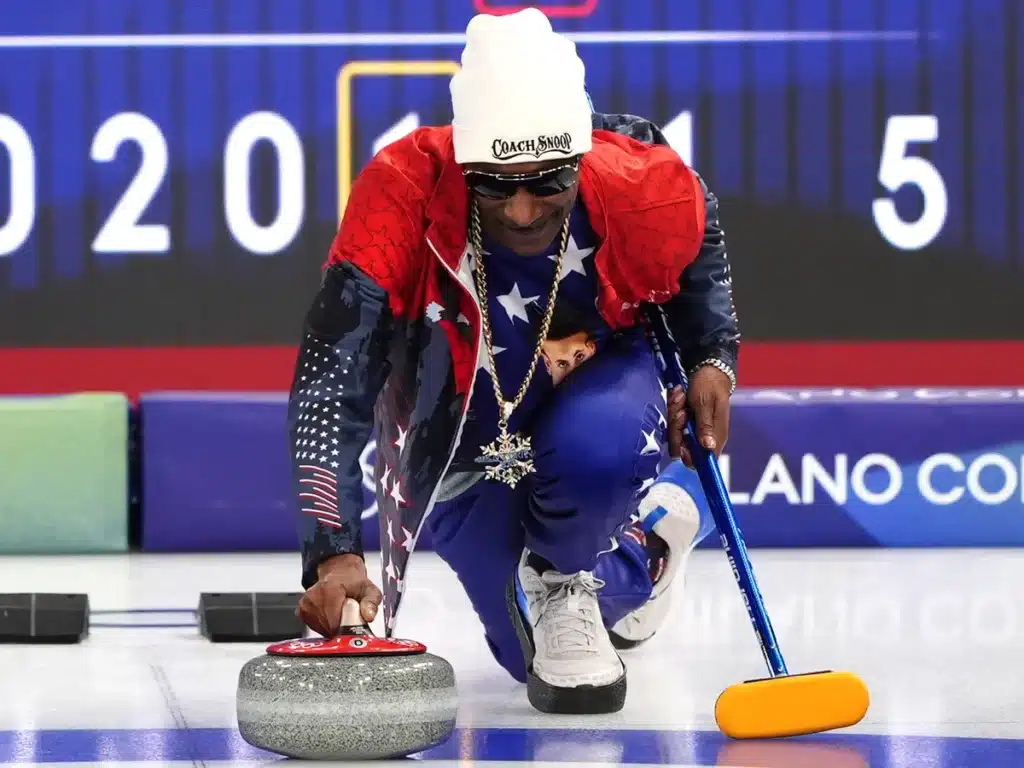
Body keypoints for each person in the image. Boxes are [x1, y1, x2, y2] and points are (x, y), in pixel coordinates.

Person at [290, 8, 738, 714]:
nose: (522, 211)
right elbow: (331, 376)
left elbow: (697, 247)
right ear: (463, 157)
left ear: (581, 157)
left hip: (594, 381)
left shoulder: (640, 181)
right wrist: (333, 549)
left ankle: (572, 566)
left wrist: (712, 361)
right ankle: (647, 550)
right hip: (461, 430)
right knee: (518, 650)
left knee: (595, 460)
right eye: (494, 184)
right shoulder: (399, 192)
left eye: (549, 182)